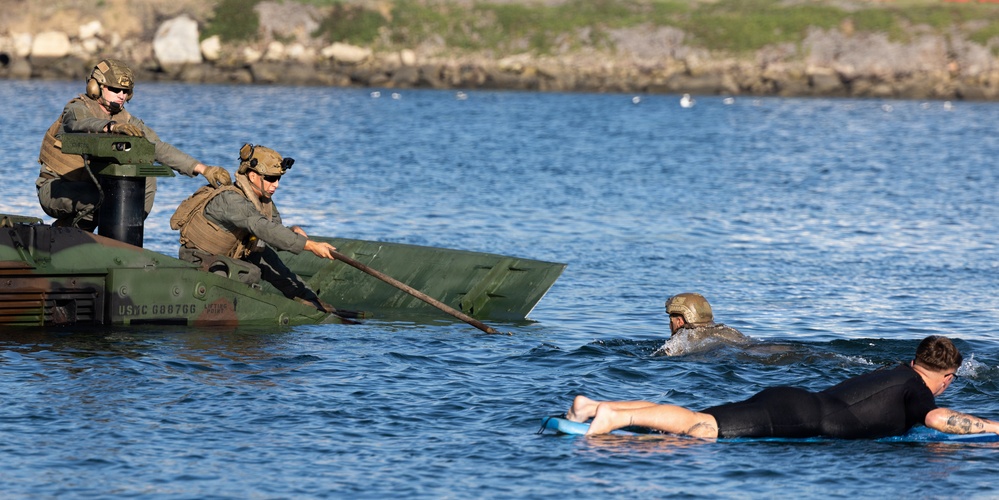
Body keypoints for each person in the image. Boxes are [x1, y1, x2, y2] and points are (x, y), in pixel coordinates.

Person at [568, 335, 999, 439]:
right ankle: (613, 417)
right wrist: (995, 430)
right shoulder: (919, 389)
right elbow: (940, 418)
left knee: (701, 421)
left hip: (792, 402)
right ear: (946, 377)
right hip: (797, 415)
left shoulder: (897, 373)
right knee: (702, 428)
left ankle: (593, 406)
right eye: (950, 383)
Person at [37, 58, 231, 230]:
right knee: (106, 199)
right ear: (96, 87)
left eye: (126, 91)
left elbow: (158, 148)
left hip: (95, 189)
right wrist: (111, 127)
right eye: (115, 89)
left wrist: (204, 169)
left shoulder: (127, 121)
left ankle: (126, 230)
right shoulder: (77, 108)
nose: (121, 95)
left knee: (144, 175)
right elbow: (79, 123)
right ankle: (68, 233)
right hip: (56, 188)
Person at [170, 143, 338, 313]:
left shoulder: (263, 200)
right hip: (201, 258)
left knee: (266, 257)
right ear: (252, 176)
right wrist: (310, 245)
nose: (276, 184)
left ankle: (309, 300)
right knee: (243, 276)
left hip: (232, 253)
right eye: (271, 179)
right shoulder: (231, 200)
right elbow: (261, 226)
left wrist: (293, 229)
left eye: (279, 179)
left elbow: (274, 231)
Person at [655, 292, 749, 356]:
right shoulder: (730, 331)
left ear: (679, 321)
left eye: (671, 321)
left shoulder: (683, 337)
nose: (669, 326)